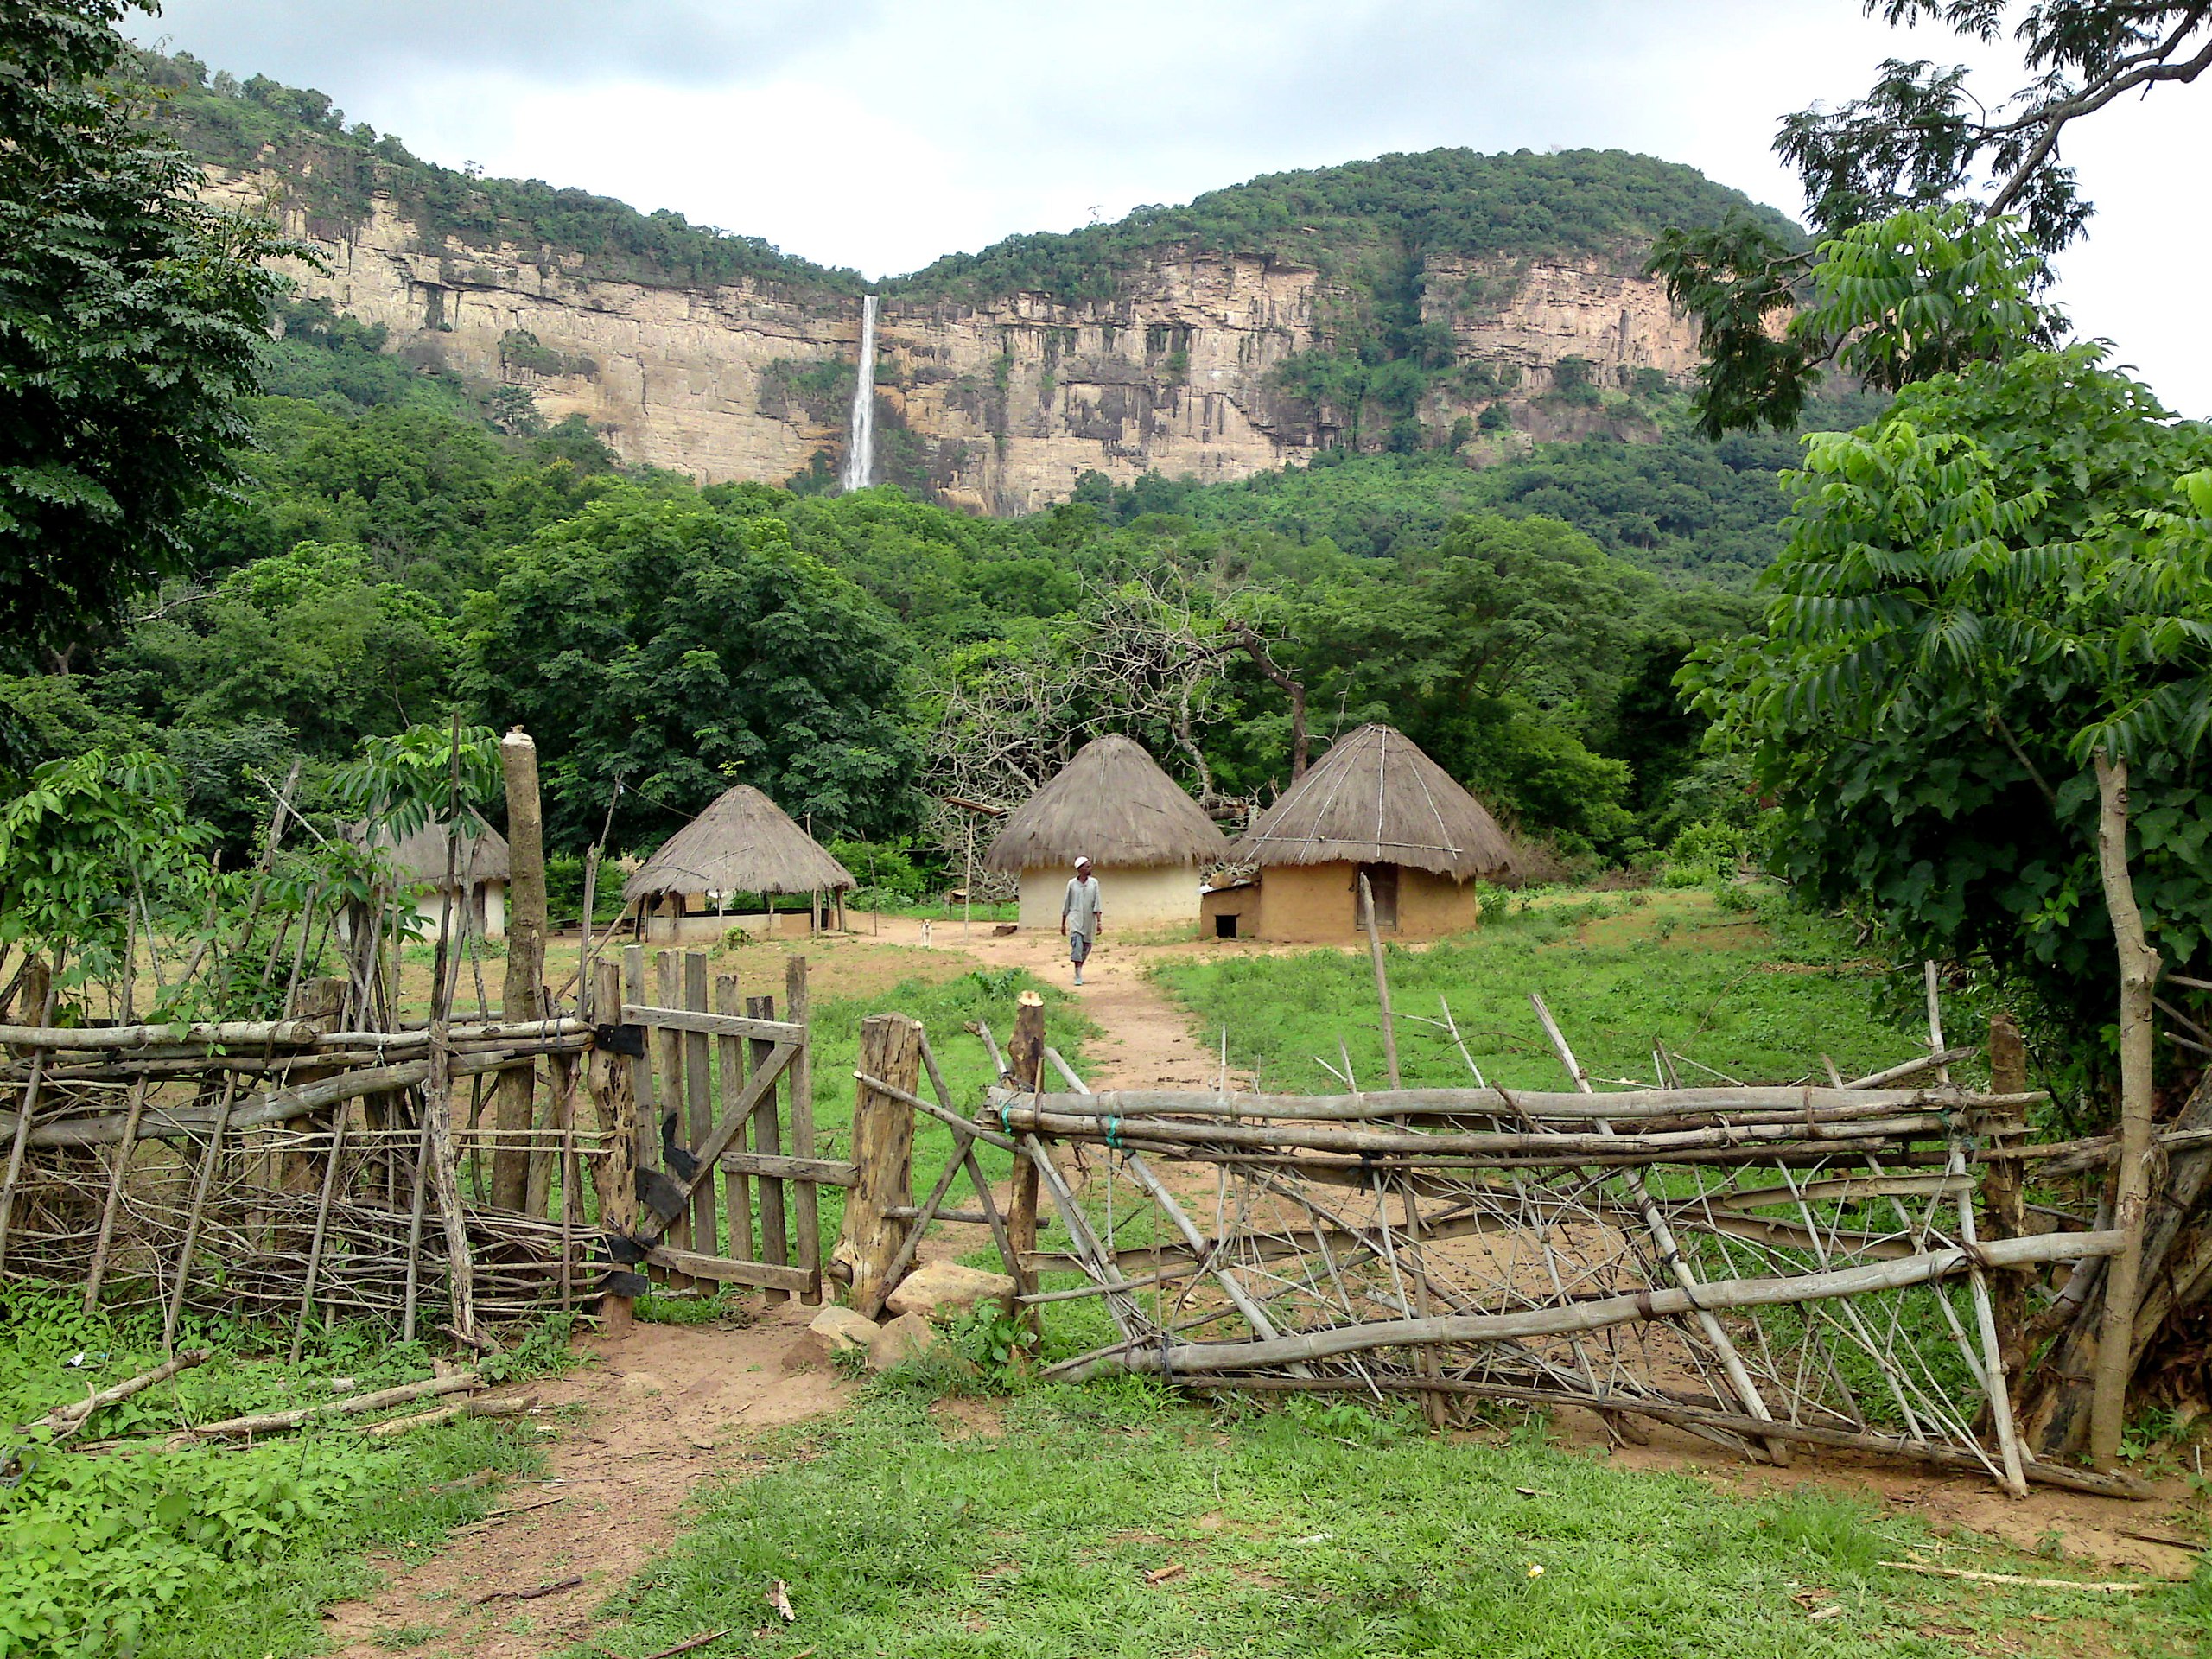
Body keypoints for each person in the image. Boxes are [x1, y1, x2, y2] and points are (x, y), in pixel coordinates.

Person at [1060, 855, 1103, 986]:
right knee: (1077, 946)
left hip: (1089, 921)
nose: (1090, 868)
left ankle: (1079, 968)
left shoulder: (1094, 883)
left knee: (1087, 947)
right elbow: (1067, 903)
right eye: (1087, 866)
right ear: (1080, 869)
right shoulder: (1072, 884)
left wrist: (1099, 922)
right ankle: (1078, 974)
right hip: (1076, 920)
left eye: (1090, 866)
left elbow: (1097, 903)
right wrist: (1063, 923)